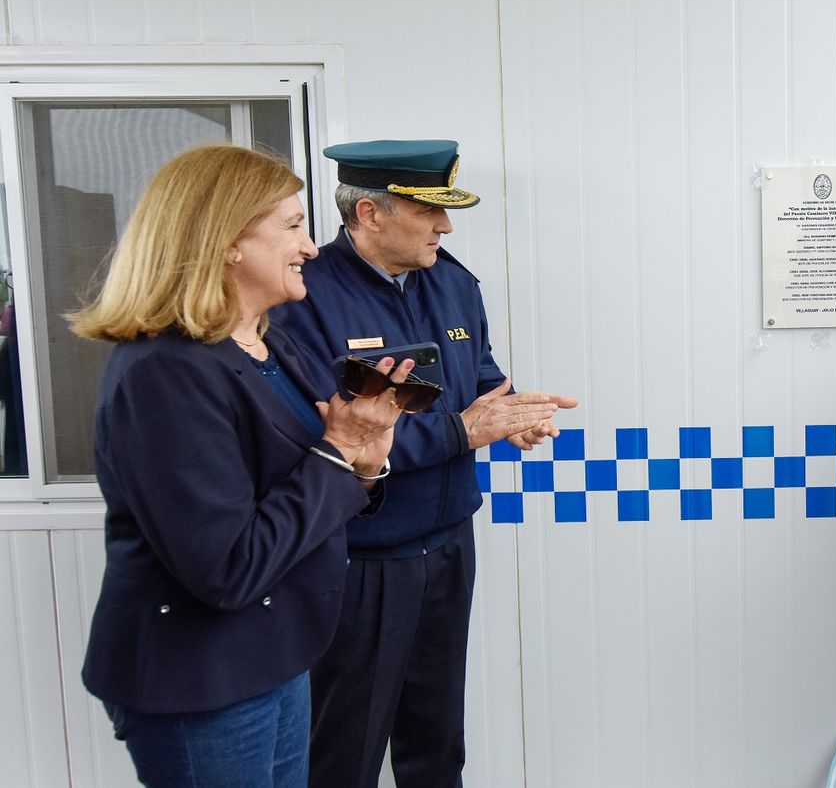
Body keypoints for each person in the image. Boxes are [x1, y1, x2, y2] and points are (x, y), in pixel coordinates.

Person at [70, 144, 556, 788]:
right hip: (246, 643)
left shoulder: (270, 340)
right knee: (345, 755)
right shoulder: (187, 362)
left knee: (434, 741)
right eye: (292, 227)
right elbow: (237, 548)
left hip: (291, 631)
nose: (307, 246)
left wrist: (486, 421)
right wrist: (415, 443)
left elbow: (347, 437)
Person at [273, 139, 578, 787]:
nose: (445, 225)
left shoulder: (454, 281)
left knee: (436, 742)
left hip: (446, 547)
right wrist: (464, 431)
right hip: (359, 558)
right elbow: (319, 436)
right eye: (429, 211)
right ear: (370, 214)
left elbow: (483, 381)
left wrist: (512, 413)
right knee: (344, 751)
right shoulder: (304, 299)